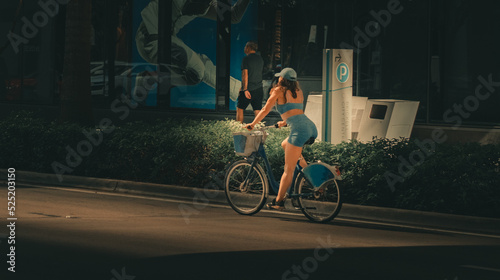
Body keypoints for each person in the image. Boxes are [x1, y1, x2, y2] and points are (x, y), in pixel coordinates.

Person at [135, 0, 250, 101]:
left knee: (202, 69)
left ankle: (242, 94)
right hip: (152, 40)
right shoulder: (191, 3)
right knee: (197, 71)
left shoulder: (201, 4)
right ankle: (151, 78)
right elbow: (195, 7)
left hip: (166, 40)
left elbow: (233, 16)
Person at [245, 68, 318, 210]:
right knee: (285, 144)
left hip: (300, 130)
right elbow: (296, 112)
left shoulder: (278, 91)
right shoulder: (298, 91)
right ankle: (311, 178)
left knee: (288, 169)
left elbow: (265, 109)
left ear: (282, 79)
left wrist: (253, 124)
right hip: (310, 127)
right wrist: (284, 122)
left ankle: (279, 202)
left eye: (279, 78)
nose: (277, 80)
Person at [236, 41, 264, 123]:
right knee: (257, 110)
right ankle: (259, 129)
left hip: (249, 89)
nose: (244, 48)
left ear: (248, 48)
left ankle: (238, 129)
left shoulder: (246, 59)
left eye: (245, 46)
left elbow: (245, 74)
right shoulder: (260, 59)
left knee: (240, 109)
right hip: (259, 89)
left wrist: (245, 89)